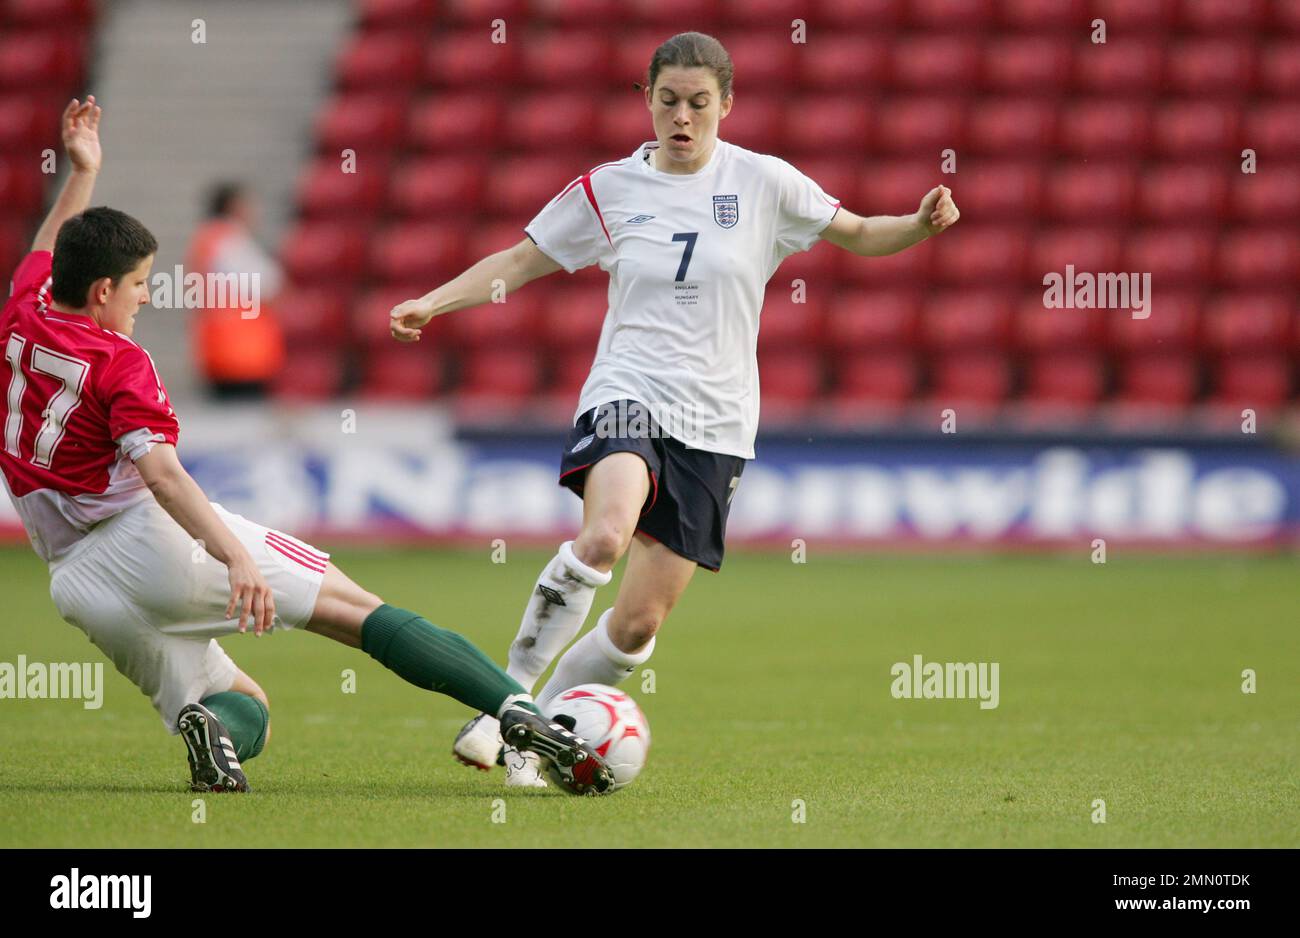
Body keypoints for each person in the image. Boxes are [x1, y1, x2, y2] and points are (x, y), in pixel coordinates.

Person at [389, 32, 960, 787]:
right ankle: (503, 702)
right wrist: (435, 301)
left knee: (636, 627)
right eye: (668, 101)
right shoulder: (609, 188)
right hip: (629, 392)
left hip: (718, 423)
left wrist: (918, 226)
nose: (682, 118)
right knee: (604, 535)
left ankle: (534, 731)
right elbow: (522, 259)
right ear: (646, 101)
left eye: (698, 103)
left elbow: (856, 233)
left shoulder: (764, 183)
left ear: (727, 103)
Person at [0, 97, 612, 795]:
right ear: (104, 288)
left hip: (74, 583)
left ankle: (212, 735)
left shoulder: (26, 309)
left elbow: (49, 242)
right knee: (357, 611)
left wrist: (83, 172)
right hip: (146, 539)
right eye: (139, 285)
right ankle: (520, 713)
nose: (144, 298)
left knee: (242, 705)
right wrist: (234, 559)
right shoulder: (121, 362)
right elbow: (164, 477)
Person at [186, 181, 285, 400]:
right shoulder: (229, 241)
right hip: (243, 353)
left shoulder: (205, 241)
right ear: (234, 207)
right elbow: (268, 286)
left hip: (219, 350)